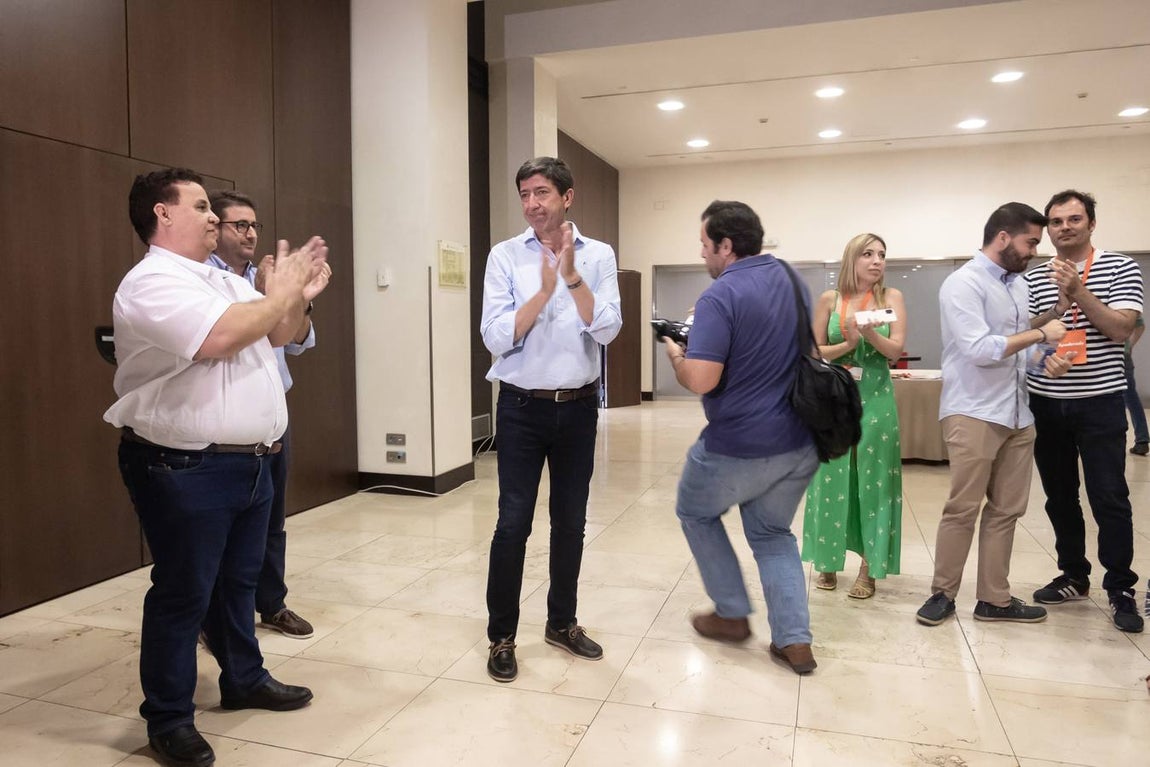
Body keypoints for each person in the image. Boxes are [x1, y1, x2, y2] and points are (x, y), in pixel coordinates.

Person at [105, 168, 329, 767]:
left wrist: (297, 297)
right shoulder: (151, 282)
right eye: (202, 207)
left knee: (239, 583)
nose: (213, 218)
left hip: (249, 462)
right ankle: (169, 717)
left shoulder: (221, 278)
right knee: (185, 592)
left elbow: (280, 332)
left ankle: (244, 678)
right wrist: (279, 295)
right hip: (185, 466)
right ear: (162, 214)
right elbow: (221, 338)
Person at [479, 157, 622, 682]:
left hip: (578, 407)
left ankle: (561, 623)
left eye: (541, 192)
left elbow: (608, 329)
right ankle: (502, 636)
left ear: (567, 197)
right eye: (524, 194)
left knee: (571, 522)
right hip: (520, 407)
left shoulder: (598, 255)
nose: (532, 204)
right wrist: (542, 292)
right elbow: (494, 336)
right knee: (512, 523)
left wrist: (571, 278)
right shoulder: (505, 256)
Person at [664, 200, 820, 675]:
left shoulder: (719, 296)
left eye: (704, 244)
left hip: (740, 444)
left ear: (726, 246)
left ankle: (732, 614)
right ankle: (795, 642)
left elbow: (702, 379)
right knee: (773, 534)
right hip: (801, 441)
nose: (702, 253)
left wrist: (677, 356)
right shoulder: (792, 279)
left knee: (694, 510)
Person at [916, 203, 1072, 627]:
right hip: (973, 411)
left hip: (1018, 414)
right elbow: (980, 349)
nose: (1034, 251)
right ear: (1003, 237)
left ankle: (994, 599)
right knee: (962, 508)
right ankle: (942, 594)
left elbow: (1015, 347)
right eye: (1030, 242)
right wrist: (1040, 333)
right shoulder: (962, 283)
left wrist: (1046, 356)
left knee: (1006, 511)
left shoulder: (1017, 286)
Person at [208, 190, 329, 640]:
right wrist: (268, 298)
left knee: (272, 519)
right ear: (215, 229)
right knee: (225, 527)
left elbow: (295, 339)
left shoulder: (267, 277)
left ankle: (272, 603)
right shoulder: (206, 278)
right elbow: (231, 335)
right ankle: (216, 617)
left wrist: (299, 298)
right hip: (227, 418)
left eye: (254, 225)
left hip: (273, 414)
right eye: (239, 225)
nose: (251, 234)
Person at [1025, 190, 1144, 633]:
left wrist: (1079, 291)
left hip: (1100, 402)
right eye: (1056, 222)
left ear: (1091, 223)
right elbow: (1026, 336)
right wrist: (1044, 355)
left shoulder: (1120, 267)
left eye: (1074, 219)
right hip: (1046, 402)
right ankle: (1074, 575)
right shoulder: (1033, 278)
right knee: (1059, 495)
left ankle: (1121, 586)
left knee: (1108, 495)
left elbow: (1121, 328)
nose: (1064, 228)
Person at [802, 233, 905, 599]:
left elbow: (895, 351)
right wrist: (847, 344)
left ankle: (869, 567)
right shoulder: (830, 300)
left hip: (876, 399)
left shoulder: (890, 298)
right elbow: (814, 352)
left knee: (874, 481)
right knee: (829, 477)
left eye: (882, 254)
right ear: (852, 259)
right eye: (868, 254)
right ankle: (827, 560)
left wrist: (869, 336)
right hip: (835, 399)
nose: (877, 261)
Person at [1124, 315, 1149, 455]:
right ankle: (1142, 440)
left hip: (1101, 358)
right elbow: (1140, 326)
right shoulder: (1126, 306)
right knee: (1132, 399)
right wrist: (1128, 346)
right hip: (1123, 355)